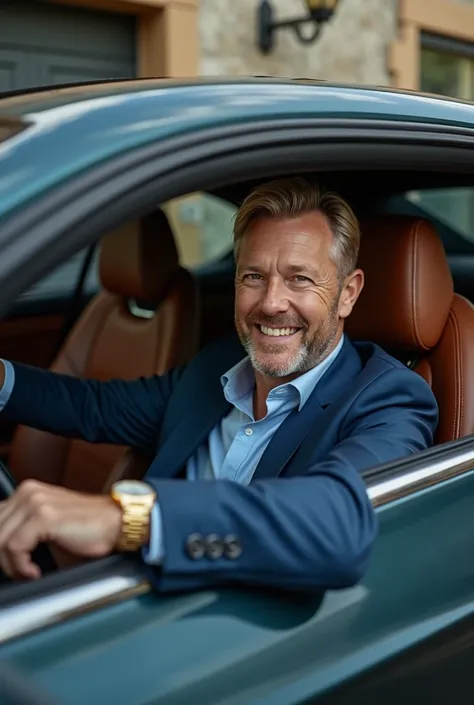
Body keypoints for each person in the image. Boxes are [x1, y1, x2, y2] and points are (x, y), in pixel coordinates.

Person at [0, 177, 438, 589]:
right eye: (253, 276)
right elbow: (96, 407)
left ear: (348, 293)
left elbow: (340, 522)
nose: (270, 303)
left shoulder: (389, 398)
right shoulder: (217, 364)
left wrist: (127, 518)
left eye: (299, 279)